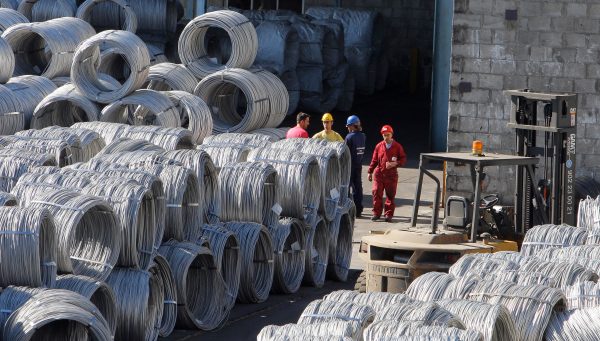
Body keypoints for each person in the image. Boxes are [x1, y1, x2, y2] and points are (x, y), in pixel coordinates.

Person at [368, 125, 406, 222]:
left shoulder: (397, 146)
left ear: (392, 135)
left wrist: (395, 163)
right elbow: (374, 160)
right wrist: (370, 171)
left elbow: (403, 159)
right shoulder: (379, 146)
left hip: (391, 175)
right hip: (379, 174)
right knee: (376, 192)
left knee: (390, 195)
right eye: (384, 135)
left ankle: (388, 214)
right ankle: (376, 213)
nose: (386, 137)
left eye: (388, 135)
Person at [345, 115, 366, 217]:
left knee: (346, 187)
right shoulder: (363, 136)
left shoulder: (349, 137)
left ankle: (347, 209)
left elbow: (345, 153)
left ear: (353, 126)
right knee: (358, 187)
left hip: (350, 166)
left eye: (349, 126)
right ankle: (358, 210)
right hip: (359, 165)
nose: (348, 128)